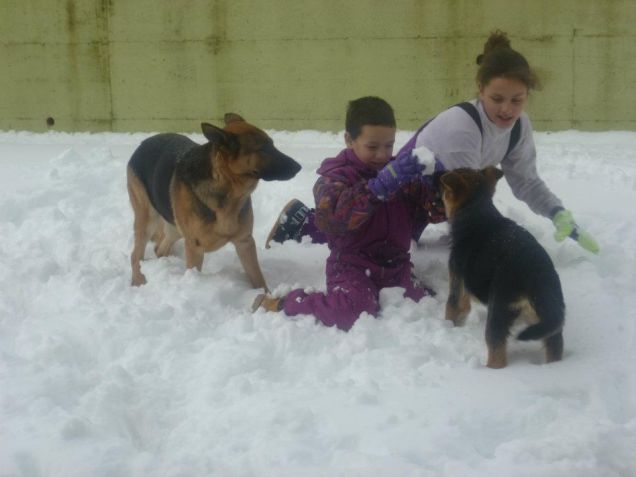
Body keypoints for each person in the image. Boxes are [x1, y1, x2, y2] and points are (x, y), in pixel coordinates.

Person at [266, 30, 599, 254]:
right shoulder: (462, 128)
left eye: (517, 100)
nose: (506, 109)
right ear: (480, 89)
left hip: (431, 200)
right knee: (370, 238)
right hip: (402, 192)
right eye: (497, 98)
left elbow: (525, 180)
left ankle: (312, 219)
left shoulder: (518, 127)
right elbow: (468, 199)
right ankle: (301, 221)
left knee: (387, 236)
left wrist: (556, 212)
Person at [253, 96, 437, 331]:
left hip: (396, 265)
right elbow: (333, 220)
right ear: (349, 140)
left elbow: (432, 212)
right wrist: (377, 188)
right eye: (372, 147)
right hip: (352, 265)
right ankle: (284, 303)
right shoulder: (335, 177)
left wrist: (436, 184)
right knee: (351, 312)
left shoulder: (400, 174)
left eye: (389, 145)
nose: (382, 155)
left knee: (428, 306)